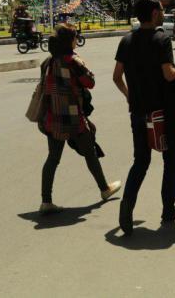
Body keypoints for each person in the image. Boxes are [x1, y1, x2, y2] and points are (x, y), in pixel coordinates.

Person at [113, 0, 175, 236]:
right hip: (163, 112)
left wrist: (129, 96)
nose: (163, 13)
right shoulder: (161, 39)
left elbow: (116, 76)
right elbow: (168, 74)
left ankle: (127, 205)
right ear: (155, 14)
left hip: (138, 111)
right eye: (162, 10)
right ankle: (168, 210)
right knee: (170, 160)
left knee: (141, 161)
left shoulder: (126, 41)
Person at [38, 23, 121, 214]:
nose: (77, 40)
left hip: (52, 117)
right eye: (75, 37)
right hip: (73, 117)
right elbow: (90, 82)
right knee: (90, 152)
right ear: (70, 41)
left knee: (53, 158)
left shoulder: (48, 62)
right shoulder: (73, 61)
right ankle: (104, 189)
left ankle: (46, 201)